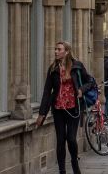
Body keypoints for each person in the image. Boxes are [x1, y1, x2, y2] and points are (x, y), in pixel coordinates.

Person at [36, 42, 88, 174]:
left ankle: (75, 165)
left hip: (73, 109)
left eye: (59, 49)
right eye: (55, 49)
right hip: (58, 109)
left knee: (71, 138)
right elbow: (47, 91)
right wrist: (42, 113)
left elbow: (89, 82)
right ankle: (62, 170)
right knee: (60, 140)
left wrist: (81, 89)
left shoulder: (77, 66)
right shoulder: (53, 68)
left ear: (66, 51)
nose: (55, 51)